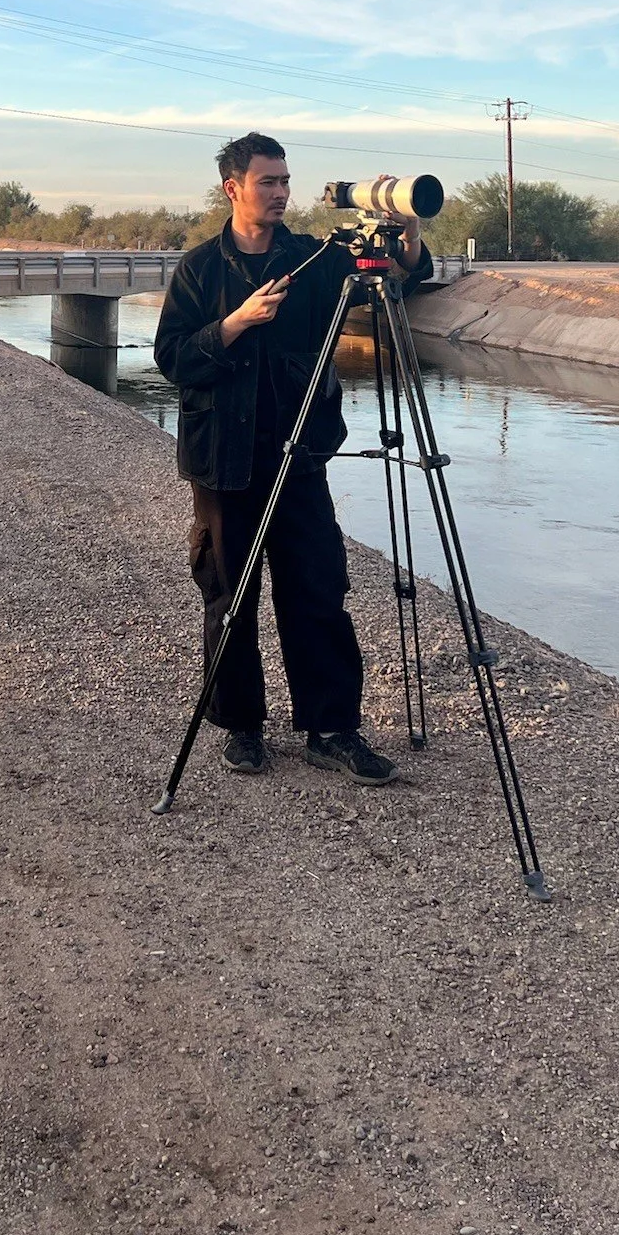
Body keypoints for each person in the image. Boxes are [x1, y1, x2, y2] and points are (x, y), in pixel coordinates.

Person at [153, 132, 433, 783]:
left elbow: (397, 280)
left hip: (300, 457)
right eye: (267, 182)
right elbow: (173, 359)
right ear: (234, 188)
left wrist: (409, 233)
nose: (280, 192)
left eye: (285, 181)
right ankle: (242, 727)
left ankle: (331, 728)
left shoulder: (313, 259)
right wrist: (235, 323)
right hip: (223, 462)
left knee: (318, 591)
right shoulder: (200, 270)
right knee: (230, 596)